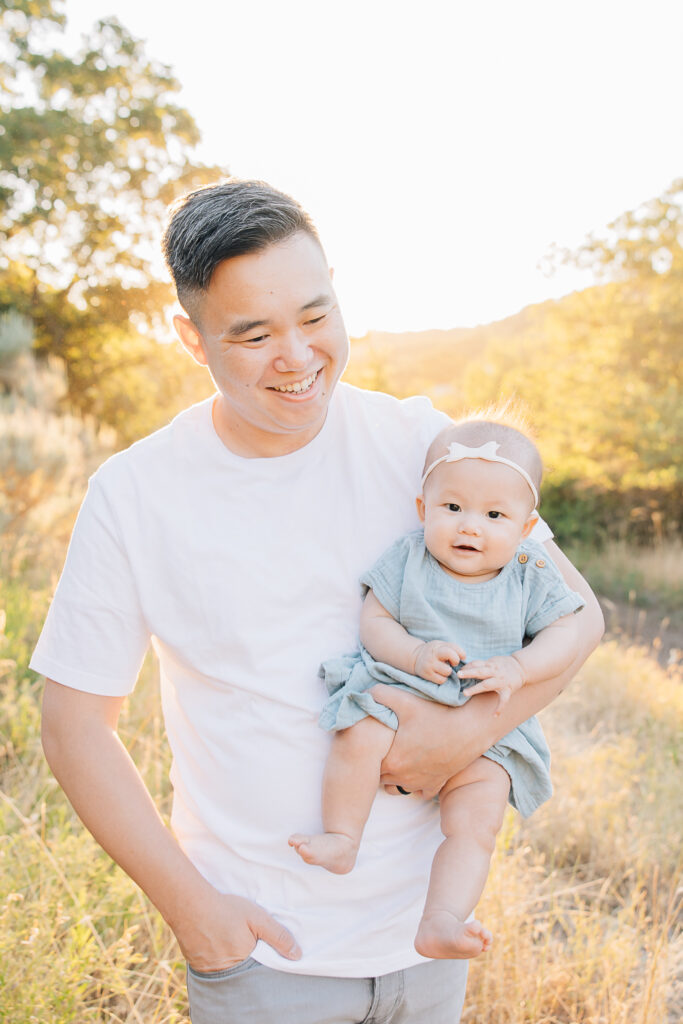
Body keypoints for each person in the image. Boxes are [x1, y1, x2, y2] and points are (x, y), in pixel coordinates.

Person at [33, 180, 604, 1024]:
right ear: (190, 338)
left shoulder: (421, 445)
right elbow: (74, 723)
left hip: (422, 943)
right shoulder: (136, 492)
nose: (297, 357)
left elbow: (579, 616)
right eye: (253, 334)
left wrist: (468, 732)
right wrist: (197, 914)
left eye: (314, 315)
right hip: (263, 957)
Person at [290, 419, 585, 961]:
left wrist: (518, 668)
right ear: (424, 509)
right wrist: (414, 653)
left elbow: (569, 632)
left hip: (488, 723)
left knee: (477, 821)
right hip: (404, 690)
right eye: (453, 508)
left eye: (495, 515)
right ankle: (342, 837)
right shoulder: (410, 557)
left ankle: (443, 918)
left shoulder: (530, 571)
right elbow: (374, 621)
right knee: (359, 730)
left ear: (526, 528)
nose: (470, 526)